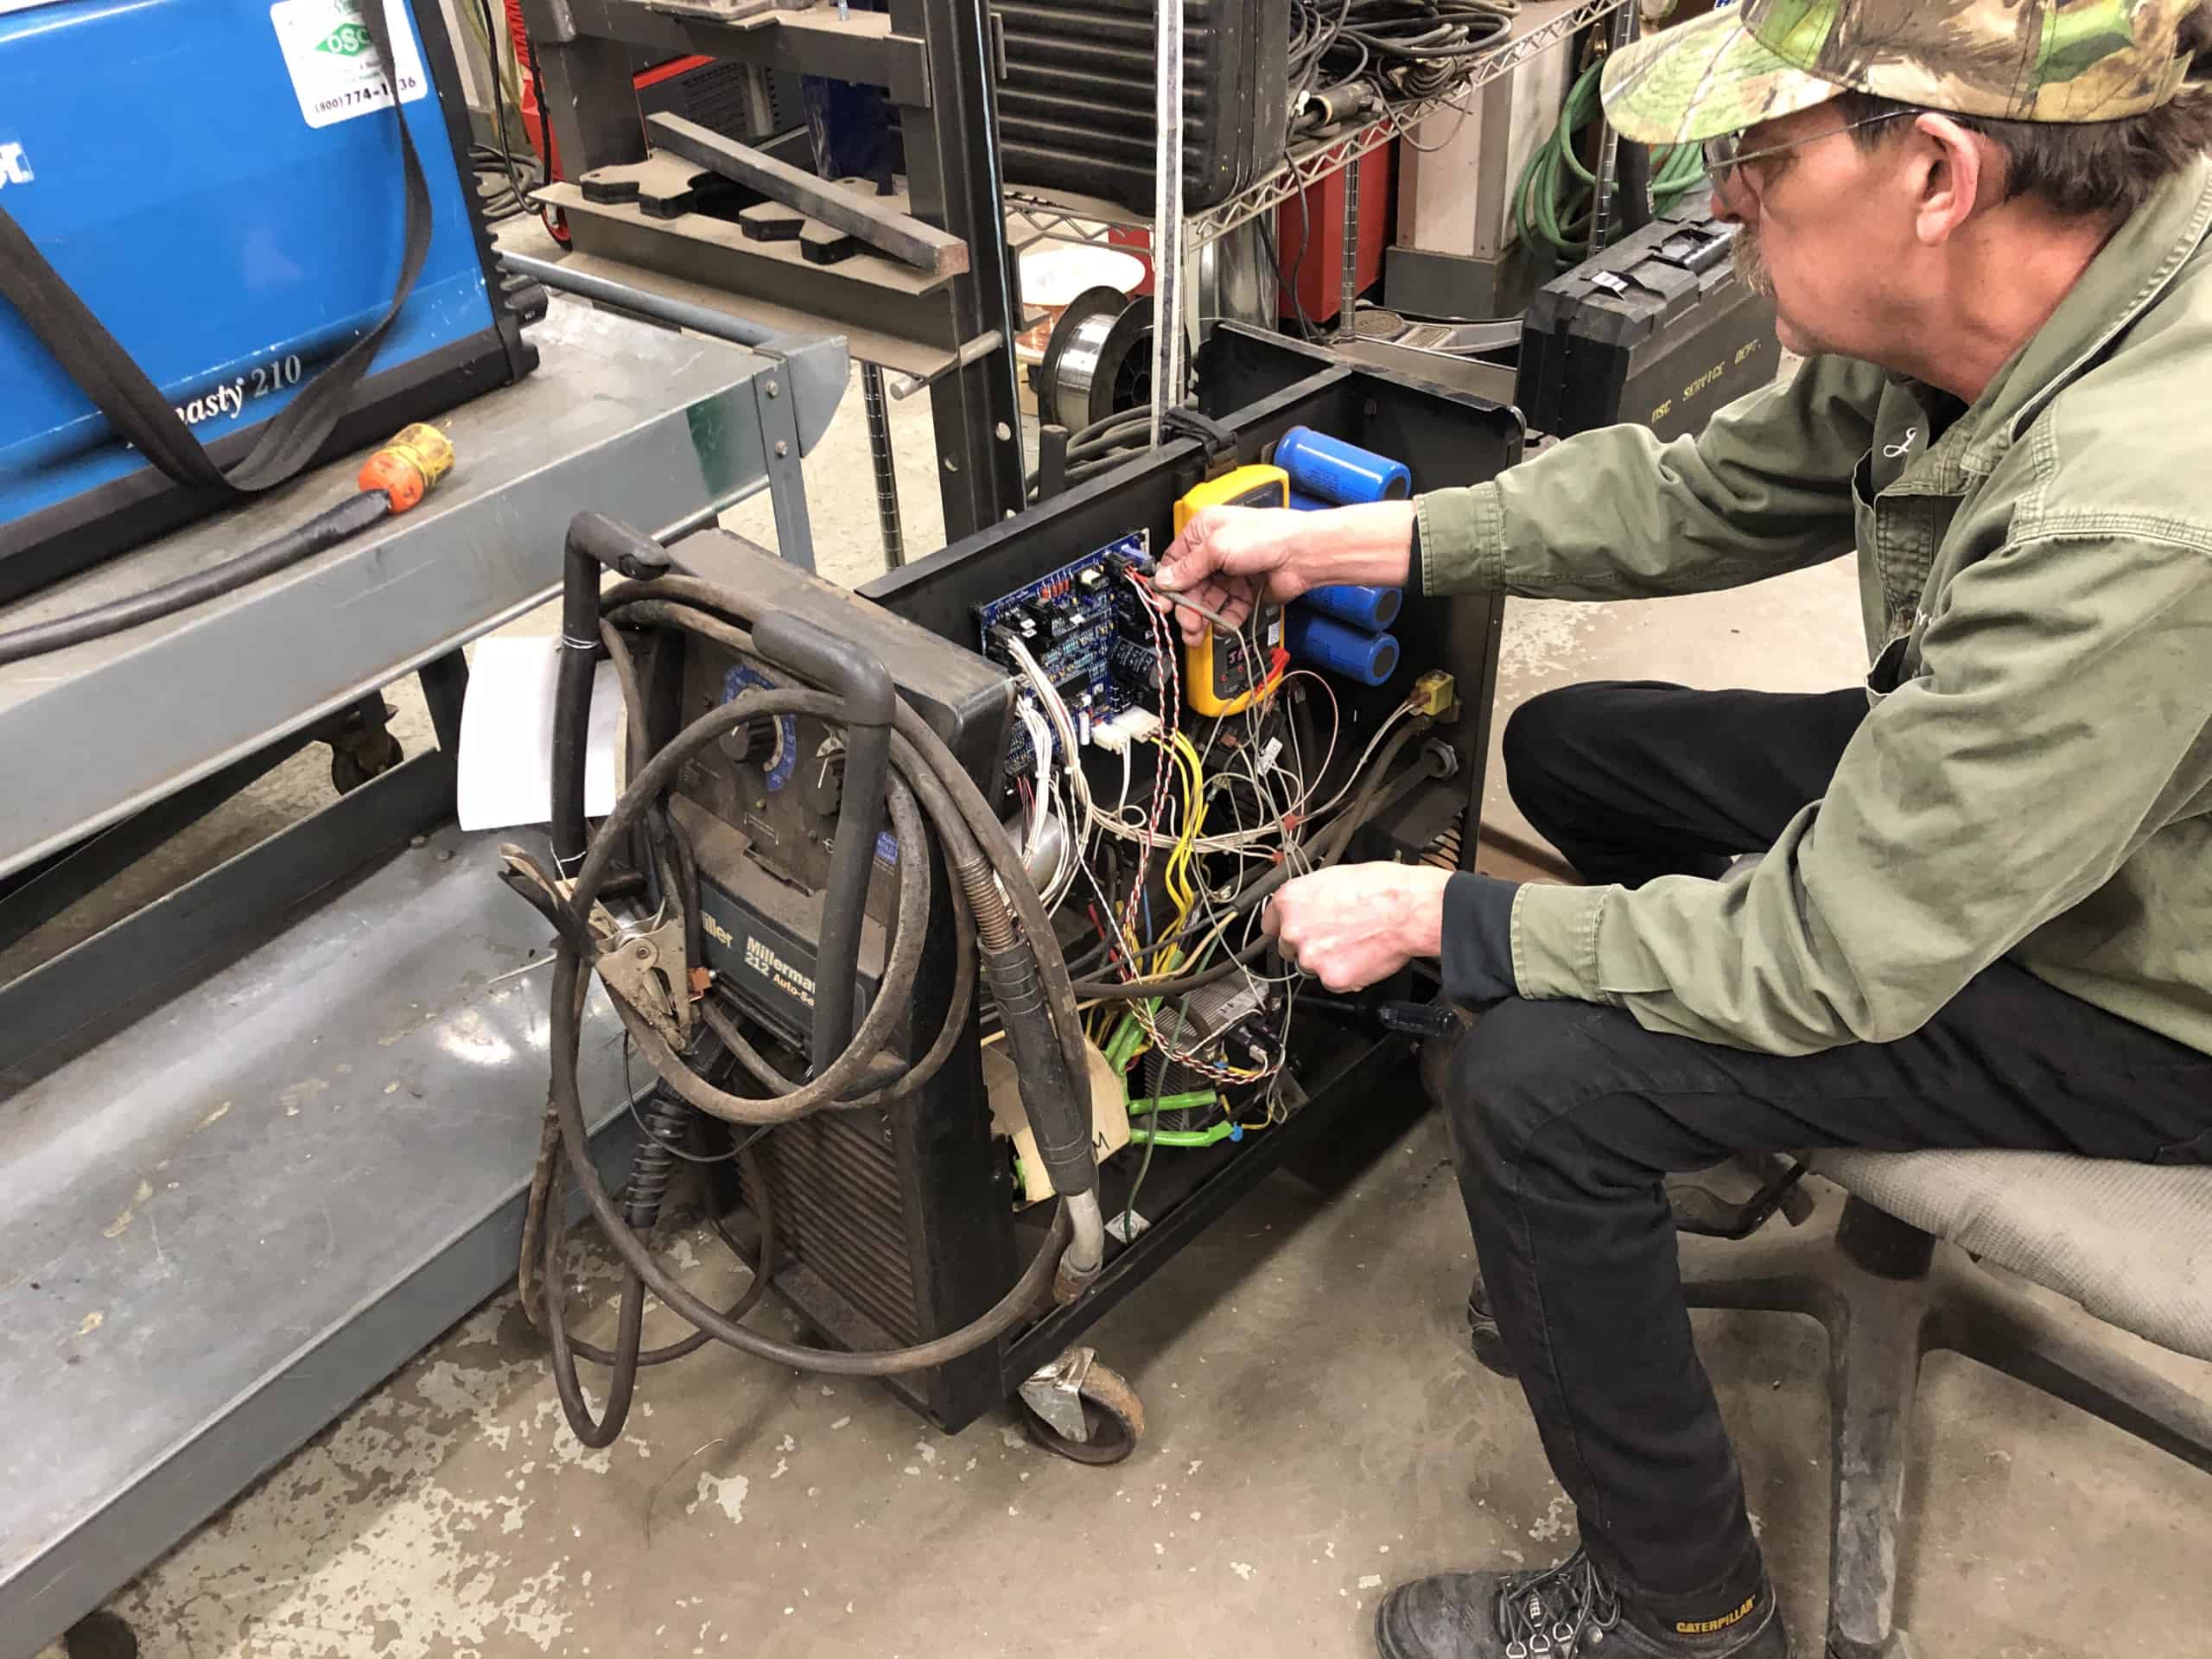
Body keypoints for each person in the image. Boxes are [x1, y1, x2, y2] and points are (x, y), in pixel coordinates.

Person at [1155, 3, 2212, 1655]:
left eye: (1763, 161)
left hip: (2148, 978)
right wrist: (1369, 544)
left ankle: (1680, 1618)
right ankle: (1700, 1125)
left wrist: (1452, 921)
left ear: (1937, 172)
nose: (1722, 202)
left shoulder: (2136, 510)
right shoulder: (2023, 290)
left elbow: (1835, 952)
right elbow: (1702, 494)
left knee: (1541, 1090)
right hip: (2044, 808)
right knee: (1585, 749)